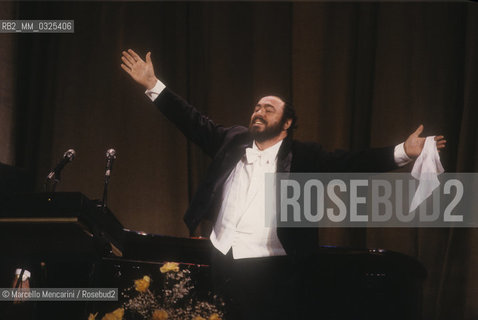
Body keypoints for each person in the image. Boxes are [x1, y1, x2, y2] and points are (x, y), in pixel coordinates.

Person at [120, 49, 446, 319]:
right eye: (257, 107)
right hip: (221, 259)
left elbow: (352, 163)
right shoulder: (231, 140)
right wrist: (152, 84)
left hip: (273, 272)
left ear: (287, 123)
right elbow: (190, 120)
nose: (259, 111)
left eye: (269, 108)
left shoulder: (304, 156)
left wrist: (404, 151)